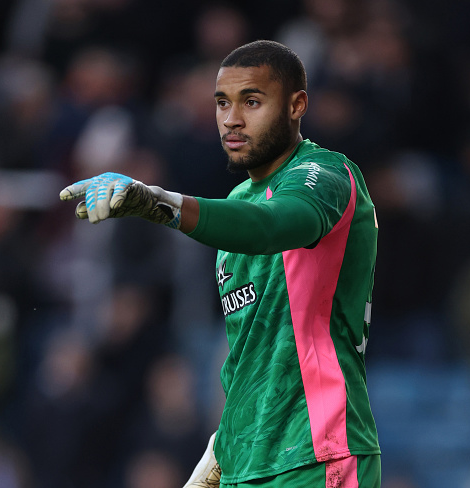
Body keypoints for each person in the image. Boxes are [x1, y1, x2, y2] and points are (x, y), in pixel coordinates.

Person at [60, 40, 381, 488]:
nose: (231, 119)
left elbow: (271, 225)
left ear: (296, 105)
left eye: (252, 101)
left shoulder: (325, 175)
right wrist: (218, 453)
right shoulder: (237, 202)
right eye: (222, 103)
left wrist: (160, 202)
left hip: (317, 455)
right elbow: (250, 357)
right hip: (246, 463)